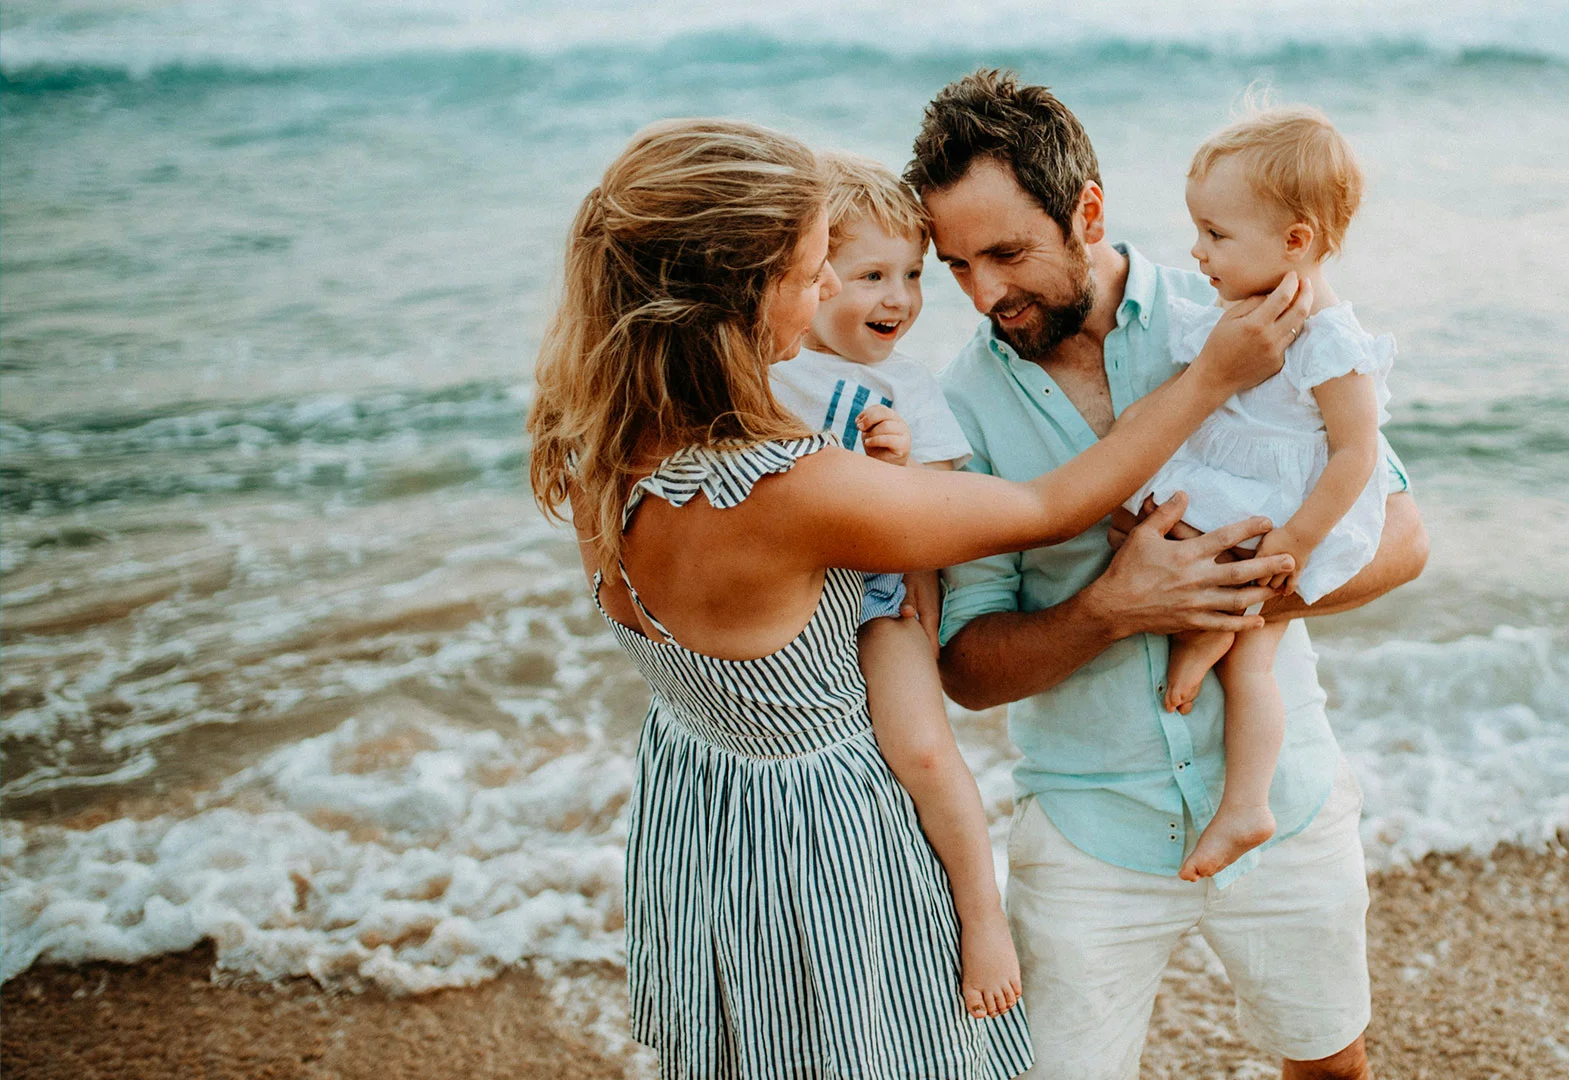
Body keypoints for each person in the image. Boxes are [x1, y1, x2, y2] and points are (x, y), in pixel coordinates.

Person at [524, 117, 1310, 1079]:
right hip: (828, 838)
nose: (826, 292)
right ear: (741, 292)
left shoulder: (600, 446)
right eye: (813, 270)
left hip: (708, 808)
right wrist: (1214, 378)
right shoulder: (791, 486)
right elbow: (1046, 503)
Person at [908, 70, 1429, 1080]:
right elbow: (967, 668)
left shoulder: (1243, 303)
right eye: (956, 264)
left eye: (1008, 252)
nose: (983, 294)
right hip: (1090, 832)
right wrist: (1115, 607)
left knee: (1329, 1065)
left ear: (1087, 210)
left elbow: (1401, 533)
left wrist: (1240, 589)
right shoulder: (954, 408)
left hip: (1285, 793)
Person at [766, 150, 1021, 1019]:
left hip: (883, 601)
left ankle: (982, 916)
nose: (901, 299)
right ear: (811, 275)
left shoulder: (907, 384)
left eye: (913, 275)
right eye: (872, 274)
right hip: (787, 600)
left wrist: (899, 464)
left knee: (917, 747)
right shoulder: (769, 367)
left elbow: (945, 502)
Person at [1117, 107, 1399, 883]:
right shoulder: (1246, 306)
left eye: (1215, 235)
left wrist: (1297, 544)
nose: (1197, 251)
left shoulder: (1333, 338)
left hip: (1291, 510)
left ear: (1295, 241)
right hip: (1241, 487)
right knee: (1152, 521)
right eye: (1198, 232)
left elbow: (1355, 453)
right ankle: (1213, 634)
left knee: (1252, 661)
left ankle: (1246, 805)